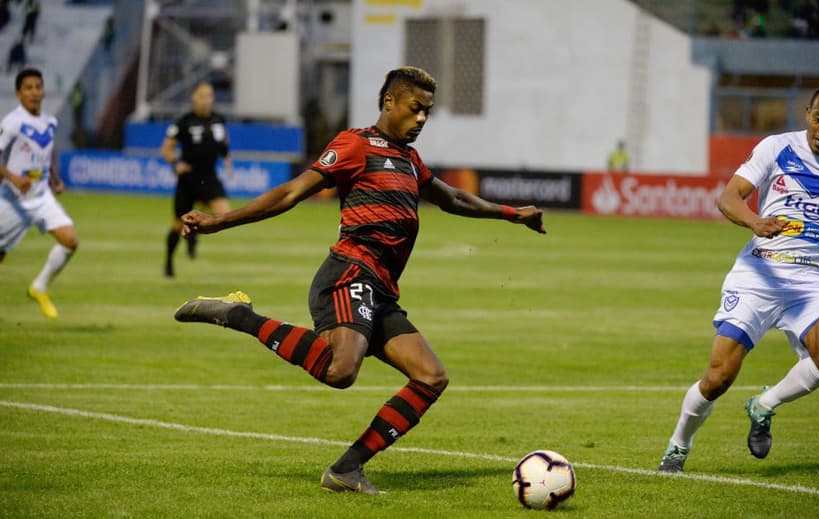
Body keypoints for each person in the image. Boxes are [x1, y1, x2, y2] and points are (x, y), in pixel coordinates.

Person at [173, 66, 546, 493]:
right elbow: (292, 192)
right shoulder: (355, 144)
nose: (422, 119)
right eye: (415, 108)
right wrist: (219, 221)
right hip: (350, 271)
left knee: (430, 377)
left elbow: (453, 197)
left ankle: (346, 470)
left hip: (382, 288)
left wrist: (512, 213)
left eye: (427, 112)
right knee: (340, 369)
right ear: (390, 101)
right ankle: (240, 316)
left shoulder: (409, 160)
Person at [658, 84, 819, 473]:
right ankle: (678, 445)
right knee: (718, 377)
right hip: (758, 274)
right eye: (818, 119)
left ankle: (764, 405)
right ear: (807, 113)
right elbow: (729, 197)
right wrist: (754, 221)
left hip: (808, 284)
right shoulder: (776, 147)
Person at [0, 67, 79, 319]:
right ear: (19, 93)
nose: (35, 92)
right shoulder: (12, 123)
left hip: (42, 196)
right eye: (29, 88)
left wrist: (55, 179)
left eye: (38, 87)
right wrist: (13, 178)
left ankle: (39, 287)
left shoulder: (50, 121)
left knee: (70, 240)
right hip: (13, 200)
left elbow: (46, 156)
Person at [160, 81, 232, 277]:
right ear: (194, 98)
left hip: (209, 176)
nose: (206, 100)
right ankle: (168, 263)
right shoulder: (183, 121)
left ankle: (195, 230)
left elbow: (224, 142)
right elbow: (166, 149)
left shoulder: (218, 120)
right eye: (202, 96)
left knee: (224, 213)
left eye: (209, 96)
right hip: (188, 179)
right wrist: (175, 163)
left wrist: (227, 161)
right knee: (177, 224)